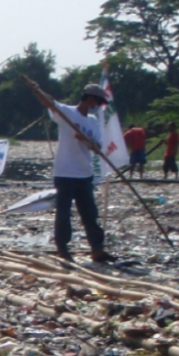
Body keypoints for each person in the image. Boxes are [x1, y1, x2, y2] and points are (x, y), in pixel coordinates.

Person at [48, 83, 115, 264]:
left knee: (89, 213)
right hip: (65, 172)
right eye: (98, 102)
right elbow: (49, 103)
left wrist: (87, 140)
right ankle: (62, 249)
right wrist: (35, 88)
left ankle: (97, 249)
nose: (98, 106)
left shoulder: (92, 121)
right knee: (63, 212)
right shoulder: (67, 113)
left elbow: (98, 146)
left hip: (84, 173)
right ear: (90, 98)